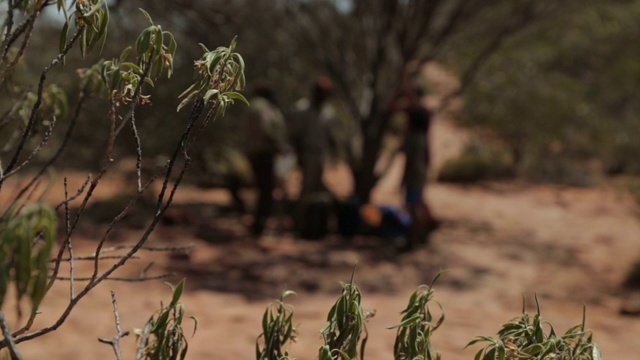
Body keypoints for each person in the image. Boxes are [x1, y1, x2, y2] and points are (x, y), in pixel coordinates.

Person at [392, 63, 439, 249]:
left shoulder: (420, 117)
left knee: (413, 203)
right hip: (420, 165)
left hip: (416, 167)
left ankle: (416, 234)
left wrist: (404, 79)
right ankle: (427, 225)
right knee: (418, 199)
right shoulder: (419, 118)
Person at [289, 77, 339, 238]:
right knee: (307, 191)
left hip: (321, 155)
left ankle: (317, 225)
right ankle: (300, 224)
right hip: (308, 154)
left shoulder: (328, 113)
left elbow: (331, 136)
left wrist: (334, 154)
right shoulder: (302, 109)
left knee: (320, 191)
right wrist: (299, 156)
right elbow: (295, 135)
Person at [241, 81, 291, 235]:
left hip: (254, 152)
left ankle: (259, 224)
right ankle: (259, 227)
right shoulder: (263, 107)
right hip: (264, 153)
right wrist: (281, 147)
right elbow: (267, 129)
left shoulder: (252, 105)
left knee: (263, 190)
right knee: (266, 191)